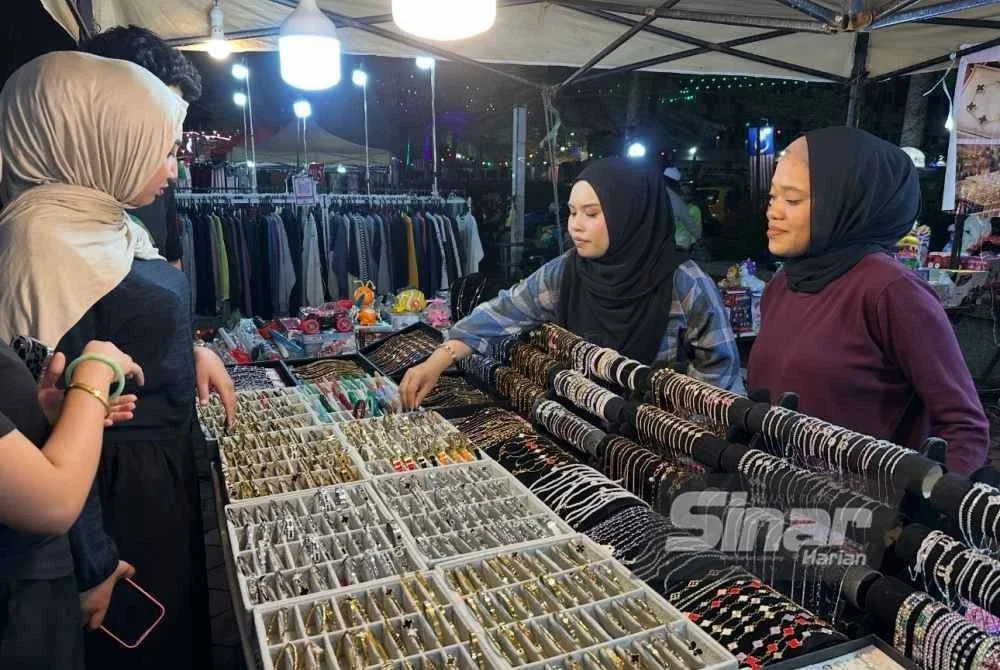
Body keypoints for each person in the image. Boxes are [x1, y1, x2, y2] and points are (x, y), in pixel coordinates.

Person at [0, 52, 228, 669]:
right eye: (162, 150)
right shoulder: (39, 244)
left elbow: (126, 318)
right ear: (95, 136)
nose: (174, 171)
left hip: (157, 472)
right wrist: (91, 560)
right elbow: (35, 419)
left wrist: (193, 348)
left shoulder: (107, 222)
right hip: (110, 494)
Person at [401, 158, 744, 409]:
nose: (575, 226)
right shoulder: (567, 272)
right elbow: (503, 312)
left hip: (659, 452)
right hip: (581, 430)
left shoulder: (685, 284)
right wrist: (437, 361)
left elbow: (720, 376)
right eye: (572, 212)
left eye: (592, 214)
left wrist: (677, 434)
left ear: (630, 213)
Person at [748, 127, 988, 475]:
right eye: (773, 198)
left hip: (859, 516)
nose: (774, 212)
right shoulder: (784, 283)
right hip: (776, 502)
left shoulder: (890, 289)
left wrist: (915, 510)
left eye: (793, 199)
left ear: (846, 203)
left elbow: (964, 426)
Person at [79, 25, 204, 269]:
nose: (171, 172)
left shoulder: (158, 189)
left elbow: (172, 262)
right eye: (155, 132)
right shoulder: (43, 226)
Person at [664, 166, 697, 252]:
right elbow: (689, 222)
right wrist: (699, 238)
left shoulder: (652, 192)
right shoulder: (675, 199)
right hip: (669, 242)